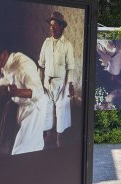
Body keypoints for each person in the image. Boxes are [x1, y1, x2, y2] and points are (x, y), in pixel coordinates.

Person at [0, 37, 47, 155]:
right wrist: (2, 87)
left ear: (3, 54)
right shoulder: (4, 63)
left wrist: (16, 92)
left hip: (34, 109)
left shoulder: (22, 65)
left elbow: (39, 92)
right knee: (32, 148)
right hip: (22, 107)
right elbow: (4, 78)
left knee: (21, 151)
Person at [38, 11, 75, 148]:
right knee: (47, 108)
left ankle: (60, 137)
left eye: (55, 25)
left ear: (61, 27)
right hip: (47, 82)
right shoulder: (46, 43)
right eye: (51, 25)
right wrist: (39, 82)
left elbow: (71, 67)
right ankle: (49, 135)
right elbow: (41, 64)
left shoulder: (67, 45)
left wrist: (70, 84)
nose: (52, 28)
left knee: (61, 110)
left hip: (62, 82)